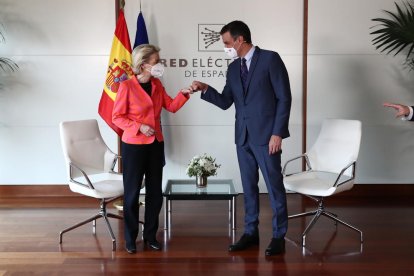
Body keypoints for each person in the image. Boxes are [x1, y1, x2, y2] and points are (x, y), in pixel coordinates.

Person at [189, 20, 292, 256]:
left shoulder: (270, 59)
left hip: (267, 137)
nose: (225, 47)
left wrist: (277, 132)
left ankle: (278, 236)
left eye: (227, 43)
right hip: (242, 137)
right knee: (248, 187)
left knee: (274, 186)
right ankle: (251, 232)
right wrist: (206, 89)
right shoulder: (233, 68)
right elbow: (226, 102)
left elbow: (284, 98)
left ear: (239, 40)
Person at [112, 44, 191, 254]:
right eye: (156, 62)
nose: (159, 65)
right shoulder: (126, 86)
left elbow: (171, 106)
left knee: (155, 194)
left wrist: (184, 93)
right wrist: (139, 126)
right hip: (134, 147)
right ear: (144, 64)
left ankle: (150, 236)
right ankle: (130, 238)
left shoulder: (157, 85)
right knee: (132, 194)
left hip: (156, 145)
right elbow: (117, 117)